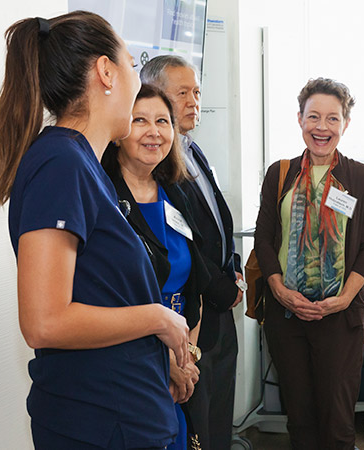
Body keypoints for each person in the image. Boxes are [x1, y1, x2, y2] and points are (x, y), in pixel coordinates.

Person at [0, 11, 189, 449]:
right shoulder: (62, 163)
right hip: (97, 423)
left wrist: (152, 350)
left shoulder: (81, 164)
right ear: (106, 72)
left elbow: (98, 296)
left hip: (119, 413)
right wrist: (158, 318)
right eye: (132, 64)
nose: (136, 79)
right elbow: (44, 321)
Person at [253, 77, 364, 450]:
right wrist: (278, 288)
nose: (322, 128)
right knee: (300, 415)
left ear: (345, 124)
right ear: (300, 119)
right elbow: (264, 238)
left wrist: (345, 298)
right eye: (314, 117)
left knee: (337, 418)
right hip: (285, 315)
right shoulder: (279, 174)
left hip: (340, 316)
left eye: (332, 118)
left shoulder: (362, 178)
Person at [141, 55, 244, 449]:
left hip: (220, 309)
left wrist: (233, 270)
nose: (193, 102)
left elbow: (218, 223)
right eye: (181, 93)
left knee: (219, 413)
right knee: (196, 417)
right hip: (193, 312)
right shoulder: (156, 165)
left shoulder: (193, 150)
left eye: (197, 92)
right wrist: (218, 286)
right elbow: (183, 241)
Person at [101, 84, 206, 449]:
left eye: (162, 121)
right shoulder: (105, 202)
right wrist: (169, 365)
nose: (154, 131)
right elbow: (109, 299)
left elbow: (194, 286)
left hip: (180, 360)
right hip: (133, 365)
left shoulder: (177, 193)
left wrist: (186, 358)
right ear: (118, 134)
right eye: (139, 120)